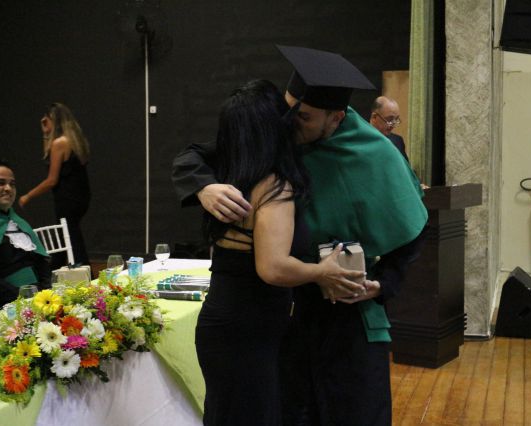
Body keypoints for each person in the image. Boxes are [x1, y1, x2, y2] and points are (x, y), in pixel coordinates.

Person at [172, 46, 428, 426]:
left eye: (304, 116)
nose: (290, 122)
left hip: (350, 314)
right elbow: (194, 155)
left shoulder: (379, 154)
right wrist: (203, 187)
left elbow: (411, 230)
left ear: (336, 117)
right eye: (288, 110)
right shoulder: (282, 137)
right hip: (291, 310)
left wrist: (383, 283)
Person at [193, 79, 365, 426]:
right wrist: (322, 271)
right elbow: (272, 268)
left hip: (225, 321)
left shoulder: (227, 175)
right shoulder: (274, 184)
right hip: (248, 328)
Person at [19, 102, 91, 267]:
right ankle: (54, 270)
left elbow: (51, 179)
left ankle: (85, 274)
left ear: (54, 120)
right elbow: (48, 158)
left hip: (67, 199)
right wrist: (46, 134)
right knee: (66, 236)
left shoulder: (59, 143)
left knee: (72, 240)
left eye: (47, 120)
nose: (44, 122)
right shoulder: (75, 141)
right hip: (81, 197)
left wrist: (28, 196)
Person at [0, 160, 51, 307]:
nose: (8, 188)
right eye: (0, 183)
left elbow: (41, 262)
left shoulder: (18, 222)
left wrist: (45, 294)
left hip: (36, 298)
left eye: (12, 184)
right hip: (6, 304)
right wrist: (23, 299)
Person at [369, 95, 408, 162]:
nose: (393, 125)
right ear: (374, 117)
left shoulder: (397, 141)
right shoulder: (359, 139)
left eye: (396, 119)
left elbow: (404, 167)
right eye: (390, 119)